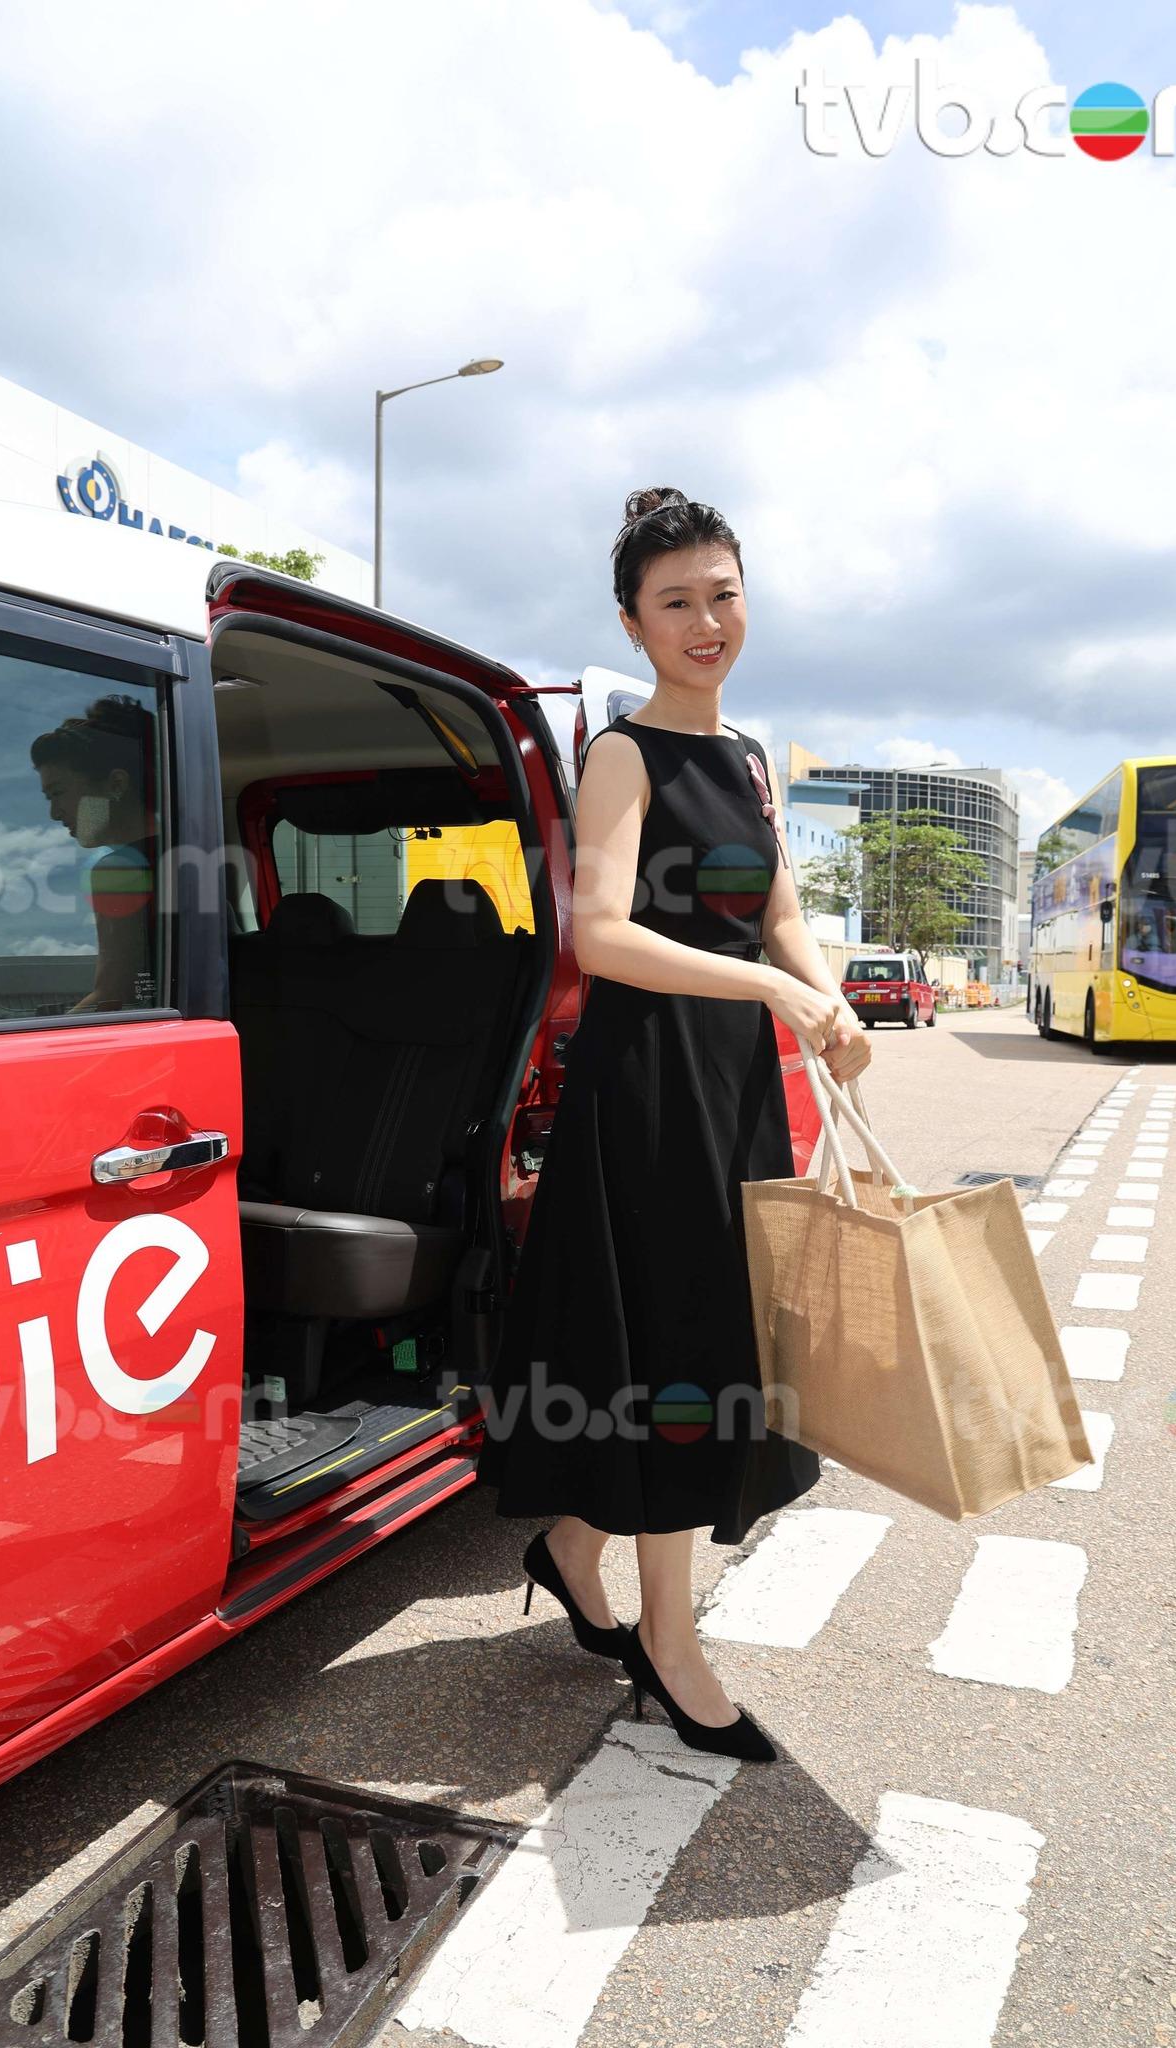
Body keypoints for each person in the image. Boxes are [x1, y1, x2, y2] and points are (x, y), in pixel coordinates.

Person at [473, 487, 872, 1763]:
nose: (707, 621)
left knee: (708, 1337)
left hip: (733, 1083)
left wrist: (826, 995)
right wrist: (766, 989)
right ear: (634, 624)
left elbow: (779, 912)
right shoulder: (623, 754)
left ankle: (575, 1544)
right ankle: (669, 1639)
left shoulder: (749, 756)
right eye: (677, 602)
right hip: (648, 1085)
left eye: (723, 593)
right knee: (673, 1352)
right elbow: (600, 934)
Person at [30, 695, 159, 1013]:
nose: (54, 813)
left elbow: (113, 995)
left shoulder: (118, 869)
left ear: (116, 784)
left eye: (58, 793)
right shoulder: (188, 858)